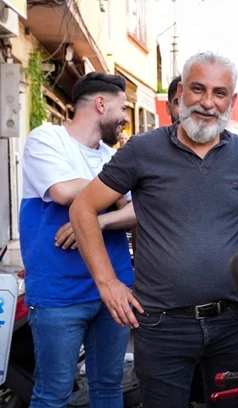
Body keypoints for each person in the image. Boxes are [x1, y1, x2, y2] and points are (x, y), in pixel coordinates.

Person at [69, 51, 238, 407]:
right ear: (180, 92)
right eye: (198, 89)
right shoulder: (143, 150)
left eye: (219, 93)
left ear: (231, 101)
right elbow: (82, 208)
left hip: (233, 322)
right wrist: (108, 283)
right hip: (161, 326)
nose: (207, 102)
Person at [19, 72, 135, 407]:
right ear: (101, 104)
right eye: (122, 108)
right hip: (59, 293)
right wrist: (117, 191)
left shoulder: (112, 157)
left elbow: (139, 210)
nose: (125, 118)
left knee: (109, 385)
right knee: (53, 394)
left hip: (114, 288)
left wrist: (99, 220)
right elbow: (62, 191)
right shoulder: (47, 138)